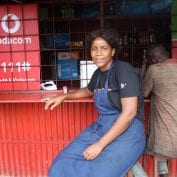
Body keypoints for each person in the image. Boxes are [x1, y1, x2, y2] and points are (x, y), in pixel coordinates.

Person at [44, 28, 146, 177]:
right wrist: (64, 96)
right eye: (94, 49)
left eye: (104, 49)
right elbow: (88, 91)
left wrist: (99, 145)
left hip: (128, 131)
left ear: (112, 51)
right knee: (62, 164)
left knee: (98, 173)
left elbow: (129, 113)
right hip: (101, 127)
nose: (98, 53)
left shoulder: (123, 70)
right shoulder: (98, 74)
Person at [142, 44, 177, 177]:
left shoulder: (154, 69)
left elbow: (144, 92)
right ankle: (164, 172)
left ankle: (162, 172)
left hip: (163, 140)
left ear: (154, 60)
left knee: (158, 145)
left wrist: (144, 66)